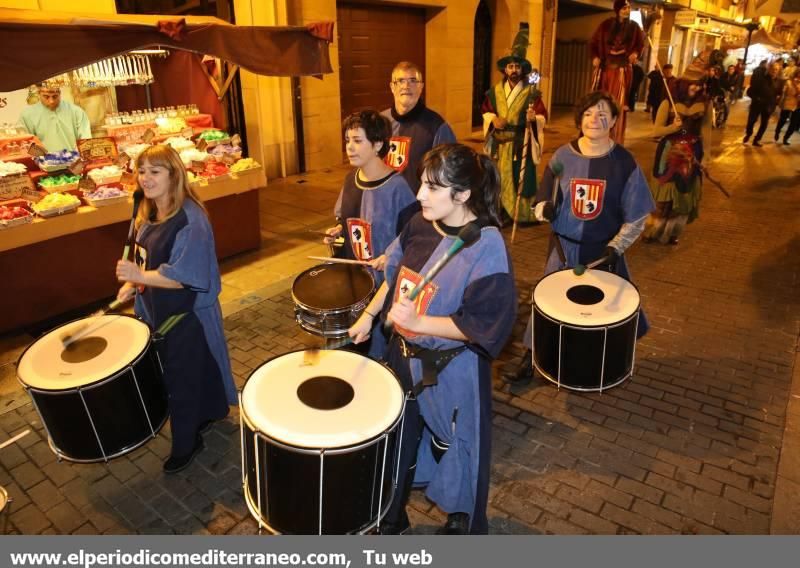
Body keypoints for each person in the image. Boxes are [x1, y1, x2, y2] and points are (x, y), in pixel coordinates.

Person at [349, 144, 517, 534]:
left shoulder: (486, 245)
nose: (421, 194)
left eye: (433, 188)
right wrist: (370, 314)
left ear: (463, 194)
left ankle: (461, 517)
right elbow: (394, 273)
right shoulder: (419, 222)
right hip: (402, 356)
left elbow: (482, 323)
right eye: (423, 184)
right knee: (398, 439)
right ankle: (392, 516)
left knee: (456, 444)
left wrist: (421, 321)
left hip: (453, 370)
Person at [503, 91, 654, 384]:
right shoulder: (562, 156)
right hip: (563, 250)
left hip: (603, 253)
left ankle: (597, 362)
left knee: (602, 312)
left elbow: (637, 216)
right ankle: (531, 359)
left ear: (612, 121)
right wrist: (544, 209)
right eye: (588, 113)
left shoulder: (624, 163)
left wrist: (617, 246)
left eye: (602, 114)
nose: (594, 119)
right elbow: (542, 202)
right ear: (579, 119)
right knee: (547, 305)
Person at [115, 145, 233, 473]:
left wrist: (140, 276)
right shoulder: (148, 212)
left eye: (155, 171)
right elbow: (144, 259)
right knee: (197, 369)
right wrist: (134, 284)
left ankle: (186, 442)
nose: (146, 178)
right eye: (142, 171)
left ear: (173, 174)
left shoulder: (191, 219)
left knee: (180, 380)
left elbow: (185, 276)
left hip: (187, 317)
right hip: (160, 311)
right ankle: (210, 411)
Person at [324, 110, 418, 280]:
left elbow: (413, 238)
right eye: (347, 140)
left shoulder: (398, 188)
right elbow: (347, 220)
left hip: (385, 283)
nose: (349, 147)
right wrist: (339, 231)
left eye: (358, 141)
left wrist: (391, 257)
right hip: (355, 278)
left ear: (378, 144)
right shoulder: (351, 179)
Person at [481, 27, 548, 224]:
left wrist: (533, 118)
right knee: (497, 177)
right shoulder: (494, 91)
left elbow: (543, 116)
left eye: (517, 67)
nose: (513, 70)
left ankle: (519, 213)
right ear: (505, 69)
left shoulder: (531, 92)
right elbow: (485, 109)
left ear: (523, 70)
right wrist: (493, 119)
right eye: (510, 67)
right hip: (500, 142)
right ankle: (499, 210)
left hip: (520, 141)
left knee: (520, 177)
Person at [643, 73, 710, 245]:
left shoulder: (705, 105)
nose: (695, 88)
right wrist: (673, 127)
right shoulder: (667, 102)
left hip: (692, 153)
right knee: (663, 196)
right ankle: (652, 231)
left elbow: (706, 132)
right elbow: (656, 131)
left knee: (683, 195)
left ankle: (671, 233)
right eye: (692, 84)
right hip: (668, 154)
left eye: (699, 84)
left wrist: (706, 157)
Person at [381, 62, 457, 195]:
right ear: (392, 87)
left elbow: (448, 173)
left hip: (418, 206)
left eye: (413, 81)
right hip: (384, 200)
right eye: (400, 81)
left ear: (421, 87)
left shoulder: (437, 126)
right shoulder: (380, 121)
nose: (406, 86)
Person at [589, 0, 645, 143]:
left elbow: (640, 45)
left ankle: (615, 139)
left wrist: (636, 53)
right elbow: (593, 43)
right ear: (618, 9)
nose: (627, 10)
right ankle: (597, 134)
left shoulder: (634, 27)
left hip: (622, 70)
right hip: (605, 70)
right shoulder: (605, 25)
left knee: (618, 104)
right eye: (624, 8)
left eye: (628, 8)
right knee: (600, 101)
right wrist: (595, 56)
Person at [18, 85, 91, 153]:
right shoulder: (27, 115)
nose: (51, 101)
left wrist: (75, 155)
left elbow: (86, 139)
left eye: (55, 96)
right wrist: (45, 158)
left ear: (60, 93)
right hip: (42, 164)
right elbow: (25, 143)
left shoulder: (76, 111)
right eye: (46, 97)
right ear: (39, 93)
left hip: (74, 162)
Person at [744, 61, 783, 147]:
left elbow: (779, 93)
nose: (774, 71)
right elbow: (750, 91)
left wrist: (776, 101)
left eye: (776, 69)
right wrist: (756, 98)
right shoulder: (761, 78)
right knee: (751, 122)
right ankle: (748, 134)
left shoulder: (779, 81)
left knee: (764, 124)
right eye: (773, 69)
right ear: (769, 69)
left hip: (769, 106)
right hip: (757, 104)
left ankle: (757, 140)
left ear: (778, 70)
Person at [774, 71, 800, 145]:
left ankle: (786, 138)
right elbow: (784, 93)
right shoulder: (789, 82)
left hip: (798, 105)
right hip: (787, 103)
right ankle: (777, 131)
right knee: (783, 120)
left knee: (793, 123)